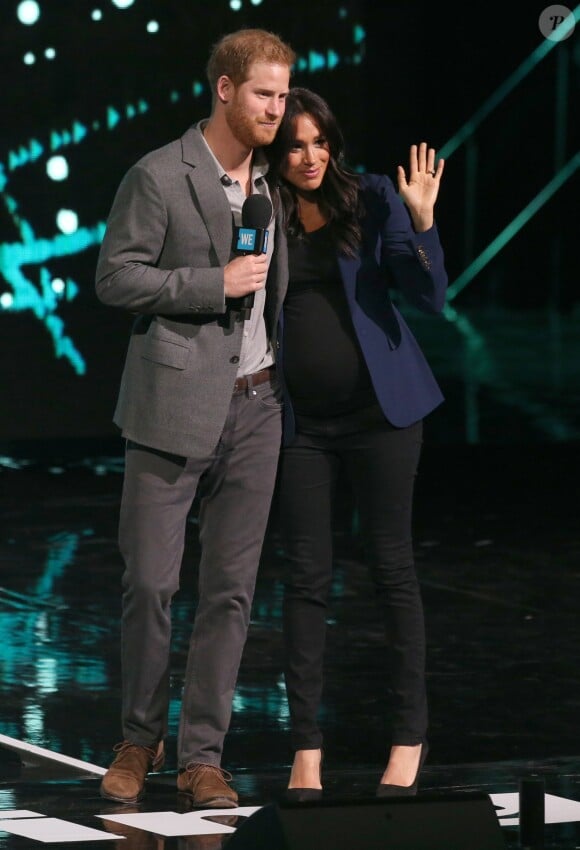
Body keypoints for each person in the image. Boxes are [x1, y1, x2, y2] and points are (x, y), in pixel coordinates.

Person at [94, 28, 295, 808]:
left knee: (231, 592)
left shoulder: (273, 186)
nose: (275, 109)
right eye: (262, 94)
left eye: (283, 95)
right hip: (172, 403)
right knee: (150, 583)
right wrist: (213, 283)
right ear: (223, 89)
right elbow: (116, 277)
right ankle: (138, 741)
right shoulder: (159, 174)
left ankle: (203, 754)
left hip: (257, 405)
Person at [265, 87, 447, 799]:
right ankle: (306, 750)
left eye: (319, 142)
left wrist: (423, 224)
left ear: (333, 144)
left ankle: (409, 737)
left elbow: (426, 298)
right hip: (299, 425)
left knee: (390, 571)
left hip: (383, 417)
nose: (310, 157)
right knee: (306, 580)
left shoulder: (373, 198)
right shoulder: (264, 208)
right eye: (295, 145)